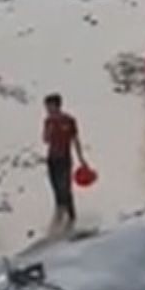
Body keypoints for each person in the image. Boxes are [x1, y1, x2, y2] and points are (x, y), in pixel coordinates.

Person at [41, 94, 88, 223]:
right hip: (52, 159)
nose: (47, 109)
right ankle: (59, 217)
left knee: (66, 188)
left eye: (49, 106)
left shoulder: (69, 120)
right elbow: (45, 140)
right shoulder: (48, 121)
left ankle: (72, 218)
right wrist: (49, 130)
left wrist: (81, 159)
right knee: (56, 189)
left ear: (56, 106)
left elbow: (75, 140)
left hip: (65, 158)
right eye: (46, 107)